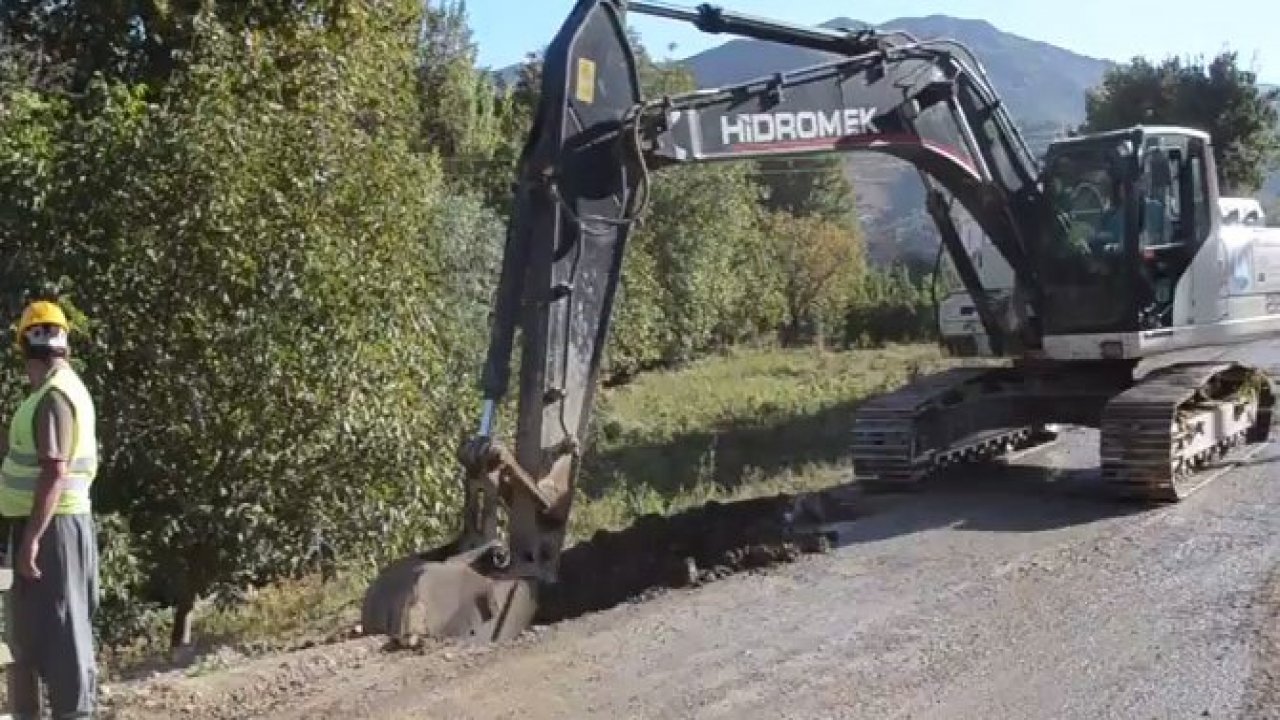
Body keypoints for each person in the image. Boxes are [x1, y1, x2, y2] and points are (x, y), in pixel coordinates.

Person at [1, 300, 100, 719]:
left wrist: (32, 541)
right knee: (25, 638)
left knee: (64, 636)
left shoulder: (56, 395)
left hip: (54, 530)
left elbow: (55, 471)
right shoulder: (47, 393)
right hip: (40, 526)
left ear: (24, 344)